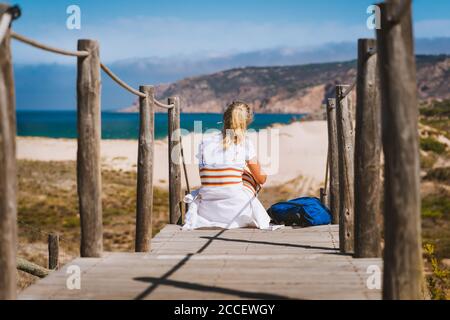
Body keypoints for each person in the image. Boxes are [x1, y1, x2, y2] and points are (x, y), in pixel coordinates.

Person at [182, 101, 272, 230]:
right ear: (246, 122)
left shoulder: (205, 142)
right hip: (238, 213)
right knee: (249, 177)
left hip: (207, 212)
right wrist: (248, 171)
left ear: (225, 118)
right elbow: (262, 179)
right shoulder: (245, 143)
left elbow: (207, 175)